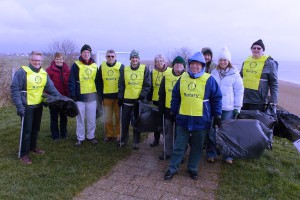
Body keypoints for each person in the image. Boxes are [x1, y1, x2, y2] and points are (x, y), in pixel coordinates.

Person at [164, 52, 222, 181]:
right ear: (189, 65)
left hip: (201, 120)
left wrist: (217, 115)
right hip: (183, 118)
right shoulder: (183, 78)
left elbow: (217, 98)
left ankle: (193, 168)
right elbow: (175, 96)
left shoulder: (209, 79)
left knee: (197, 146)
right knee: (179, 145)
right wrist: (173, 111)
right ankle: (172, 168)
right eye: (192, 64)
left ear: (202, 65)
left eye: (197, 64)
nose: (195, 66)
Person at [11, 51, 61, 164]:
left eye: (39, 60)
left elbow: (51, 87)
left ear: (41, 61)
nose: (37, 62)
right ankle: (24, 154)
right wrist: (19, 106)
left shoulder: (44, 73)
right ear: (30, 60)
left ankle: (33, 147)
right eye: (34, 60)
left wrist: (60, 97)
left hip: (38, 105)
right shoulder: (22, 72)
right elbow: (15, 89)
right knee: (27, 130)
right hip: (26, 106)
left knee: (35, 129)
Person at [210, 47, 244, 164]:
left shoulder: (235, 74)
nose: (223, 62)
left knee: (227, 131)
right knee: (212, 130)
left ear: (229, 61)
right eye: (220, 60)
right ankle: (211, 153)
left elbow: (239, 91)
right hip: (214, 107)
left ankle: (227, 155)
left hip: (228, 108)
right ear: (218, 61)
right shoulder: (213, 73)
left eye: (225, 60)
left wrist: (237, 107)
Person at [117, 49, 151, 149]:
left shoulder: (145, 69)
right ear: (130, 59)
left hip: (138, 101)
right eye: (132, 58)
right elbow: (121, 84)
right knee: (125, 121)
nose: (134, 59)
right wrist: (120, 97)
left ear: (139, 59)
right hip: (127, 100)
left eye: (136, 57)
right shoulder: (125, 69)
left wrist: (141, 96)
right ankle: (123, 140)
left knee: (137, 121)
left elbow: (147, 85)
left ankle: (136, 142)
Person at [68, 44, 98, 146]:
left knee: (91, 119)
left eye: (88, 52)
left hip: (92, 97)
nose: (86, 54)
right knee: (80, 119)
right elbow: (71, 80)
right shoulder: (76, 65)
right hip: (80, 97)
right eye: (84, 52)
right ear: (81, 53)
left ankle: (91, 136)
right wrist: (72, 95)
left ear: (90, 54)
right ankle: (80, 137)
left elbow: (98, 81)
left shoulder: (95, 65)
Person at [158, 56, 186, 160]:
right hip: (168, 108)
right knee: (168, 131)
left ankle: (180, 154)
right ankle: (167, 151)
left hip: (182, 110)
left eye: (181, 64)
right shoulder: (167, 76)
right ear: (173, 66)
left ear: (184, 67)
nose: (178, 65)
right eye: (176, 64)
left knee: (180, 134)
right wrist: (161, 108)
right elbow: (162, 93)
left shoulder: (187, 77)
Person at [240, 39, 278, 112]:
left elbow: (274, 83)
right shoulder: (246, 62)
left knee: (255, 122)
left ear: (263, 50)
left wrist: (273, 100)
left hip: (258, 101)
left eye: (259, 48)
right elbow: (239, 78)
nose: (256, 50)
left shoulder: (270, 63)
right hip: (243, 99)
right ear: (251, 49)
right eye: (254, 48)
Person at [95, 49, 125, 142]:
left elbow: (124, 81)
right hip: (106, 96)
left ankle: (117, 134)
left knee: (118, 117)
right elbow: (98, 82)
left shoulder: (121, 66)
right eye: (108, 56)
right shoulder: (102, 66)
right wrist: (100, 96)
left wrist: (122, 95)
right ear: (106, 57)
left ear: (115, 57)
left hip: (117, 97)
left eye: (112, 56)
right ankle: (109, 135)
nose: (110, 58)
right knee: (108, 117)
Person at [46, 52, 70, 141]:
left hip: (65, 98)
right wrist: (47, 97)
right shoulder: (49, 70)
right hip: (54, 99)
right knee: (54, 117)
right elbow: (46, 84)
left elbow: (70, 82)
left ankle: (64, 133)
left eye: (60, 59)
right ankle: (55, 135)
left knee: (64, 117)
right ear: (54, 60)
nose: (59, 61)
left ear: (63, 59)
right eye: (57, 59)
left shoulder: (67, 69)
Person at [148, 54, 171, 147]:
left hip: (167, 99)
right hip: (156, 99)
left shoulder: (170, 71)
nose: (160, 63)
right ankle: (156, 139)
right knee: (156, 120)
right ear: (155, 63)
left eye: (161, 61)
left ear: (165, 62)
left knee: (167, 121)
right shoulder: (152, 72)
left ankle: (166, 139)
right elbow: (150, 86)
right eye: (158, 61)